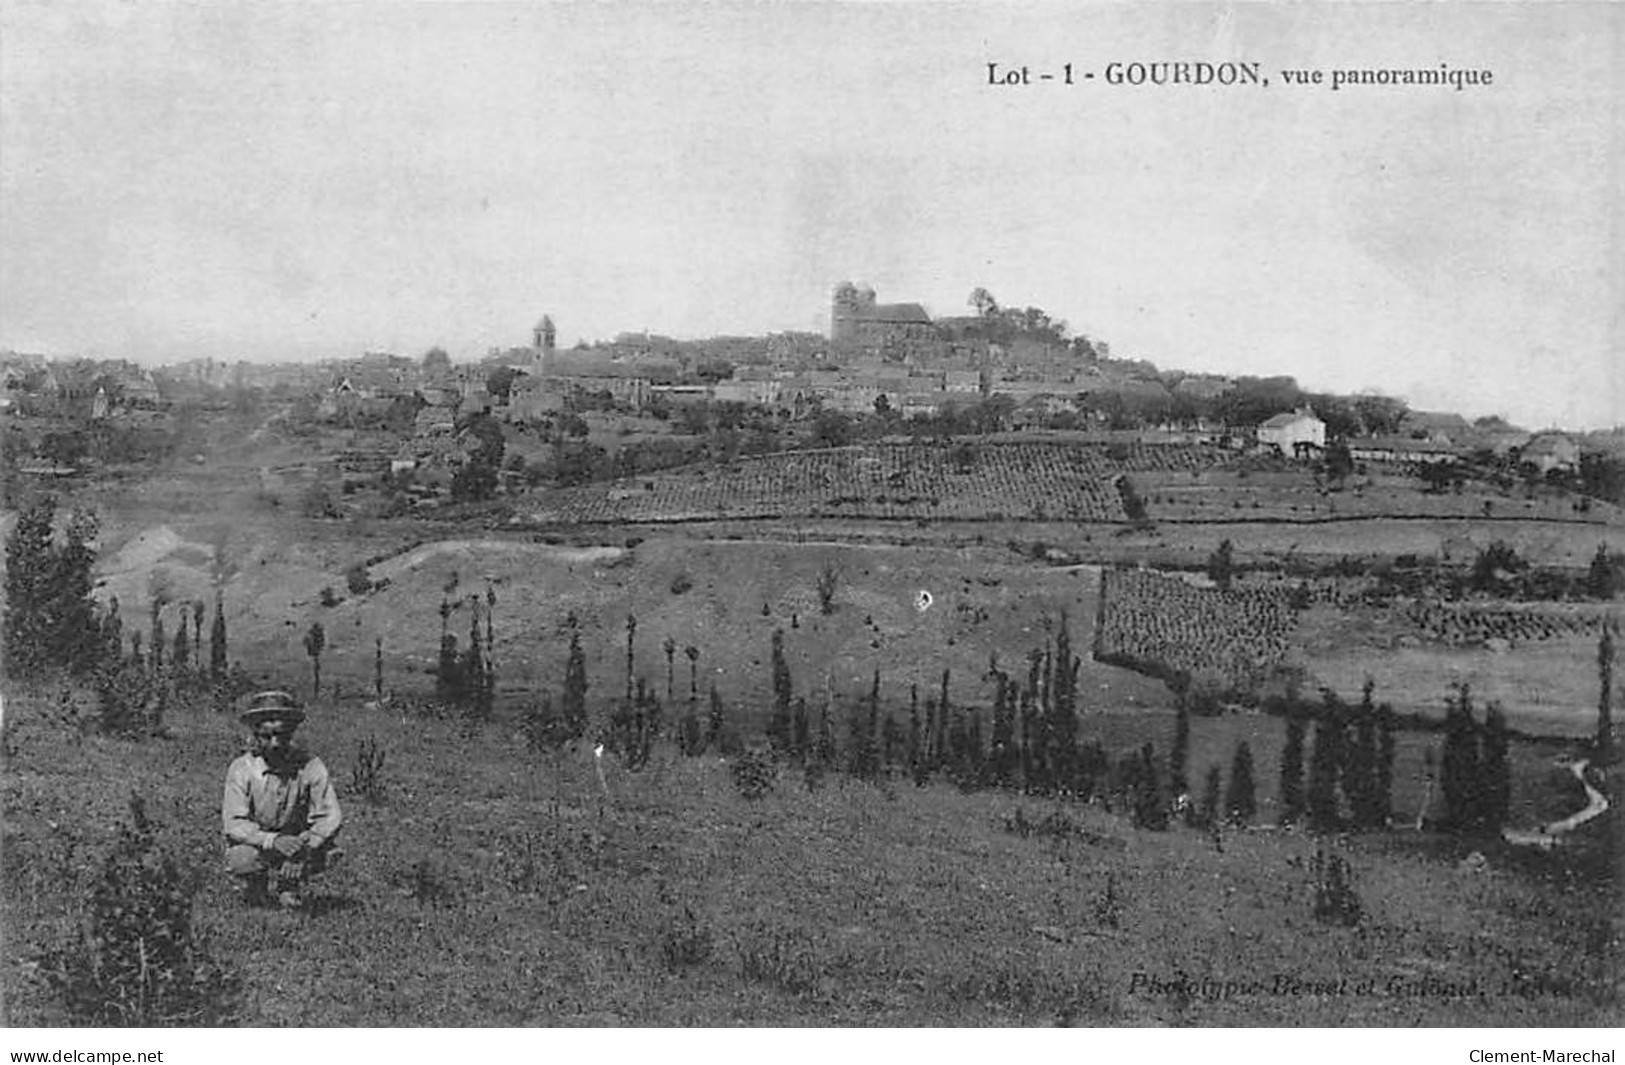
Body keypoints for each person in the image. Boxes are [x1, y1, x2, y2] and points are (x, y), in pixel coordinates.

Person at [222, 690, 343, 908]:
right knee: (242, 857)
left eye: (282, 735)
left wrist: (305, 846)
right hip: (259, 841)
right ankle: (256, 886)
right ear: (255, 735)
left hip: (299, 842)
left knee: (329, 851)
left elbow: (329, 816)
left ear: (292, 733)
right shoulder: (242, 769)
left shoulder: (311, 765)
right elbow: (234, 823)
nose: (275, 743)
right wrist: (273, 841)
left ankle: (289, 887)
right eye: (267, 736)